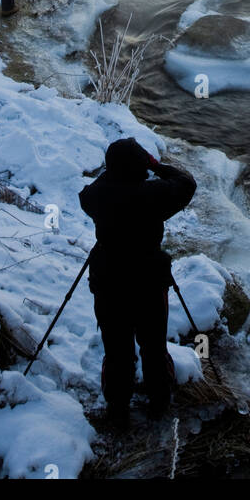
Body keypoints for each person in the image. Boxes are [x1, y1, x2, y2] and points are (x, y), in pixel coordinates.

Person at [79, 138, 196, 424]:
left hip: (109, 282)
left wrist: (119, 169)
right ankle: (159, 402)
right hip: (149, 282)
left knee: (117, 349)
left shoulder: (96, 197)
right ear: (141, 165)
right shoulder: (155, 195)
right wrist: (156, 165)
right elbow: (187, 183)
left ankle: (118, 408)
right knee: (153, 346)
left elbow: (93, 190)